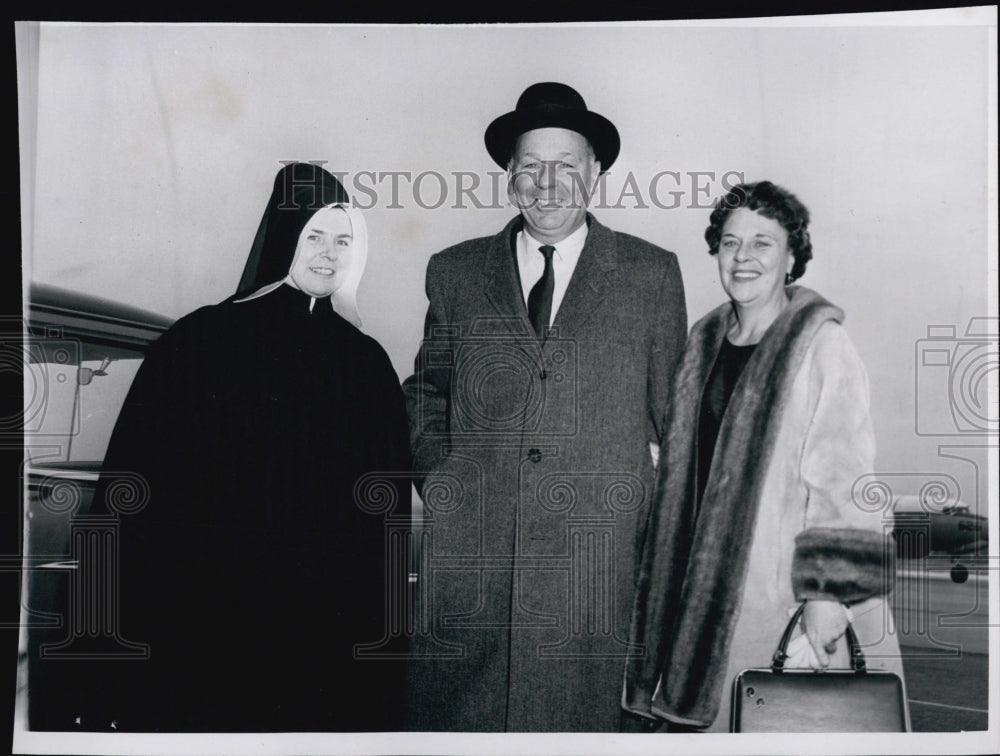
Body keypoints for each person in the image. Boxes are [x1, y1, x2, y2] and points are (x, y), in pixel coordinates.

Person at [58, 163, 411, 731]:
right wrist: (98, 655)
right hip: (205, 620)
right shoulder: (200, 340)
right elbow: (130, 495)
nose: (328, 254)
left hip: (319, 631)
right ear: (282, 238)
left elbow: (383, 522)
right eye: (313, 236)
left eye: (343, 240)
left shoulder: (366, 364)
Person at [401, 82, 688, 732]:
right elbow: (426, 390)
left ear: (596, 173)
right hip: (471, 577)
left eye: (566, 165)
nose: (547, 183)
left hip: (592, 581)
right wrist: (441, 483)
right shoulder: (456, 271)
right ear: (510, 176)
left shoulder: (652, 274)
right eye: (530, 165)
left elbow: (677, 425)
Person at [623, 180, 903, 732]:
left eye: (762, 243)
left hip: (782, 606)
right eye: (730, 243)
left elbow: (844, 482)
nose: (743, 257)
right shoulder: (700, 345)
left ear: (792, 255)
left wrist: (829, 598)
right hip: (694, 603)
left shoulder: (820, 344)